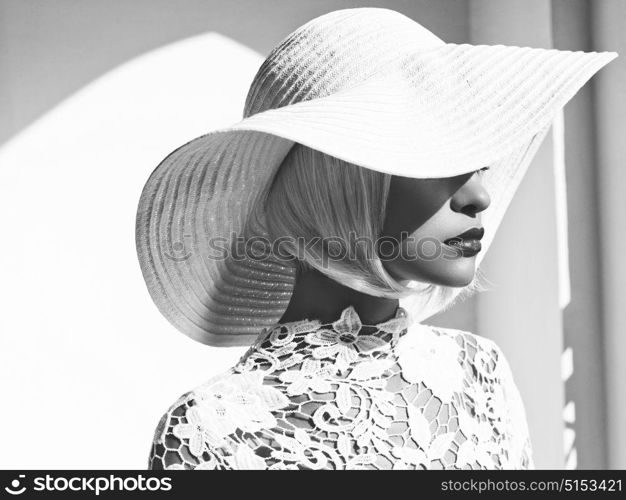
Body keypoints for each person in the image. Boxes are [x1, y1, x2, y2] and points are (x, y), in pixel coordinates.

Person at [136, 8, 617, 470]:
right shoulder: (209, 431)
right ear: (339, 180)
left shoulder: (477, 374)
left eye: (477, 165)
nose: (479, 196)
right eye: (441, 162)